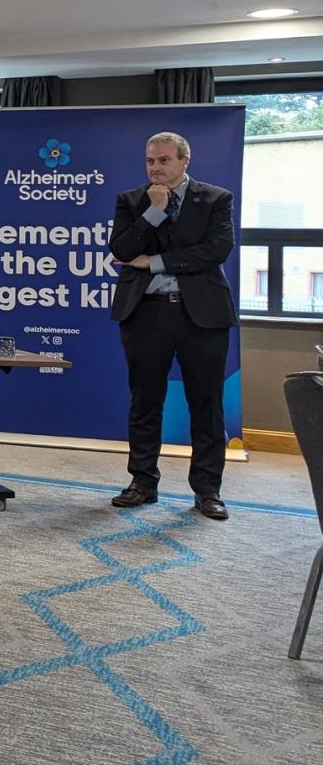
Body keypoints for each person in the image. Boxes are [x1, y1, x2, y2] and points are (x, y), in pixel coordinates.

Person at [108, 130, 236, 520]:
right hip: (147, 311)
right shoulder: (132, 200)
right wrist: (154, 212)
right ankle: (142, 482)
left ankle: (208, 491)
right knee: (145, 400)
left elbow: (216, 250)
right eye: (150, 161)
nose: (155, 168)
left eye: (164, 160)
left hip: (202, 313)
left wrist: (157, 262)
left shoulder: (216, 198)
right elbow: (122, 250)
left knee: (206, 404)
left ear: (184, 161)